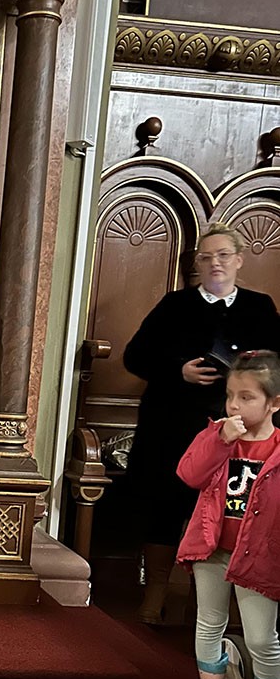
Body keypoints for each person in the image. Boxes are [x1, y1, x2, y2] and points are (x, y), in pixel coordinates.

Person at [123, 222, 280, 623]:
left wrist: (247, 382)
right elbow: (134, 356)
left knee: (228, 511)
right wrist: (178, 370)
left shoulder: (260, 307)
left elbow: (276, 365)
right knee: (166, 504)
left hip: (239, 431)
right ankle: (155, 592)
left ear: (239, 260)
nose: (215, 263)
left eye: (223, 255)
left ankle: (208, 604)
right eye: (206, 257)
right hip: (172, 424)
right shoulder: (174, 305)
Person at [176, 351, 280, 679]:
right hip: (213, 549)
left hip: (260, 557)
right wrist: (220, 440)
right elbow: (190, 474)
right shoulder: (217, 435)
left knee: (261, 637)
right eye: (230, 395)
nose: (234, 405)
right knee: (208, 624)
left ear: (274, 403)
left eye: (247, 397)